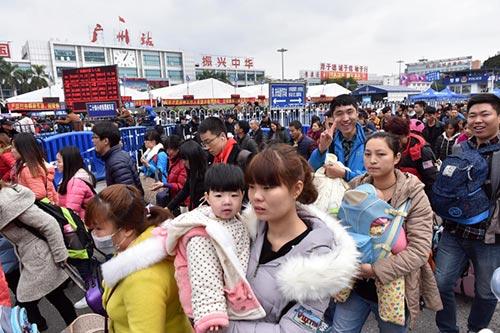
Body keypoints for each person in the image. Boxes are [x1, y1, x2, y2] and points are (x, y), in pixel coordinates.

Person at [226, 144, 358, 331]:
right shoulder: (245, 231)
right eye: (251, 186)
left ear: (296, 189)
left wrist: (224, 327)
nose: (256, 196)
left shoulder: (320, 259)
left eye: (268, 187)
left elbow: (293, 329)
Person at [331, 132, 442, 332]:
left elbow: (419, 251)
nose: (372, 160)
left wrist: (374, 270)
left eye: (381, 154)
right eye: (367, 154)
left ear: (397, 157)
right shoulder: (356, 186)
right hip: (355, 284)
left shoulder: (414, 194)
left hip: (396, 288)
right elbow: (342, 228)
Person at [156, 164, 266, 332]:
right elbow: (205, 278)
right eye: (219, 195)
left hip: (229, 301)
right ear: (207, 197)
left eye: (234, 195)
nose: (227, 201)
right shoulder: (202, 234)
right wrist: (211, 314)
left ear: (243, 195)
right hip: (211, 311)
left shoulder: (237, 221)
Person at [434, 94, 500, 333]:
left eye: (485, 114)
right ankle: (447, 328)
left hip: (490, 238)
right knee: (440, 283)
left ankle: (476, 328)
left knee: (486, 291)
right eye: (472, 115)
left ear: (498, 117)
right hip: (454, 230)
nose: (478, 120)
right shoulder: (460, 147)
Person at [87, 184, 192, 333]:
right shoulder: (142, 244)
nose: (95, 234)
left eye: (99, 228)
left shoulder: (142, 279)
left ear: (128, 229)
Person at [0, 182, 77, 331]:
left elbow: (49, 224)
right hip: (34, 258)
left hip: (41, 257)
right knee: (56, 296)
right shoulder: (6, 198)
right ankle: (75, 325)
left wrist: (60, 255)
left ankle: (41, 327)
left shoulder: (8, 201)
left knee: (25, 300)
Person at [309, 94, 367, 181]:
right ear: (333, 117)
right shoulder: (329, 141)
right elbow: (311, 169)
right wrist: (321, 149)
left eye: (350, 112)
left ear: (357, 113)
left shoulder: (370, 141)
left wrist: (345, 174)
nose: (345, 118)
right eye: (339, 113)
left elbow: (376, 176)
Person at [384, 116, 438, 197]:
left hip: (417, 193)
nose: (395, 141)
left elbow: (431, 178)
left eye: (398, 138)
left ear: (406, 135)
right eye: (391, 138)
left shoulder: (422, 150)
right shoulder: (389, 147)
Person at [91, 121, 143, 192]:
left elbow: (127, 195)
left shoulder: (117, 163)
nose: (92, 141)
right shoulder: (115, 156)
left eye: (95, 137)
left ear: (106, 141)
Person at [11, 133, 58, 202]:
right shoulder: (32, 165)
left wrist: (19, 198)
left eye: (14, 147)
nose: (11, 150)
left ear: (24, 149)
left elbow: (39, 193)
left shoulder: (28, 169)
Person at [166, 140, 207, 213]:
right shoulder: (192, 172)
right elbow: (185, 190)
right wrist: (168, 208)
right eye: (182, 159)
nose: (183, 162)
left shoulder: (207, 175)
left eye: (185, 159)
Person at [56, 146, 96, 221]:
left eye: (59, 161)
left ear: (68, 162)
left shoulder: (76, 182)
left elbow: (71, 211)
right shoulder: (70, 179)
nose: (56, 164)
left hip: (82, 225)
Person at [153, 135, 187, 210]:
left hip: (181, 202)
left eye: (170, 149)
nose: (168, 152)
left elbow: (182, 187)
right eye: (167, 149)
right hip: (174, 198)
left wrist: (164, 184)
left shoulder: (183, 164)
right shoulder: (172, 160)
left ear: (178, 149)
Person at [139, 129, 168, 204]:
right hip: (150, 183)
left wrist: (147, 164)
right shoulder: (148, 153)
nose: (145, 142)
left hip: (159, 184)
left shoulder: (161, 154)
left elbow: (159, 172)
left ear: (153, 141)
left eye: (146, 140)